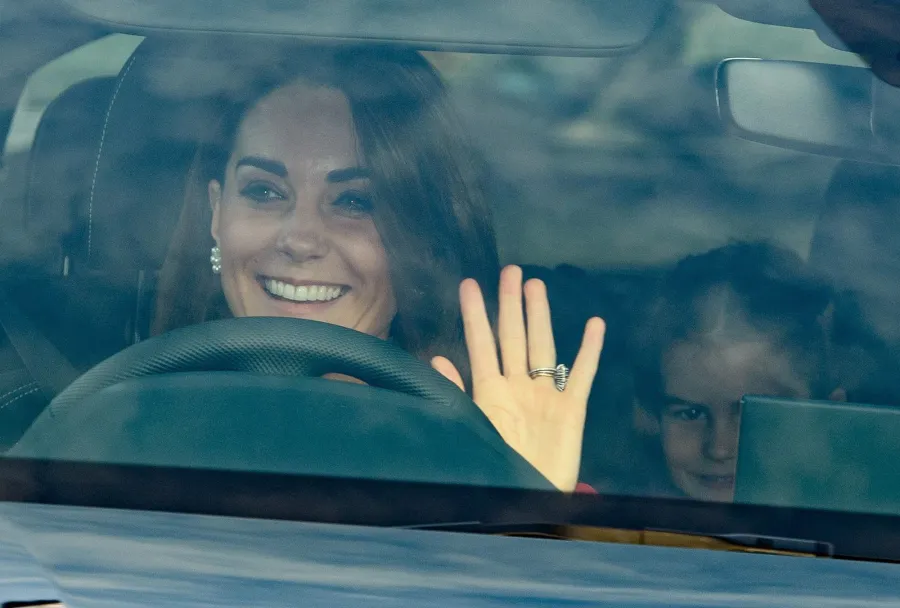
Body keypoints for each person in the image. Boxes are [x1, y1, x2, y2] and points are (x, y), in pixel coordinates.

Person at [150, 44, 606, 492]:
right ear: (216, 212)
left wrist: (525, 504)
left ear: (422, 237)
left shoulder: (507, 456)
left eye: (354, 201)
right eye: (264, 192)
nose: (300, 240)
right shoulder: (121, 436)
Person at [631, 242, 838, 502]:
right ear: (648, 419)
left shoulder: (867, 537)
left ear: (829, 420)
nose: (720, 448)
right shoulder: (606, 527)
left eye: (755, 414)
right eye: (690, 413)